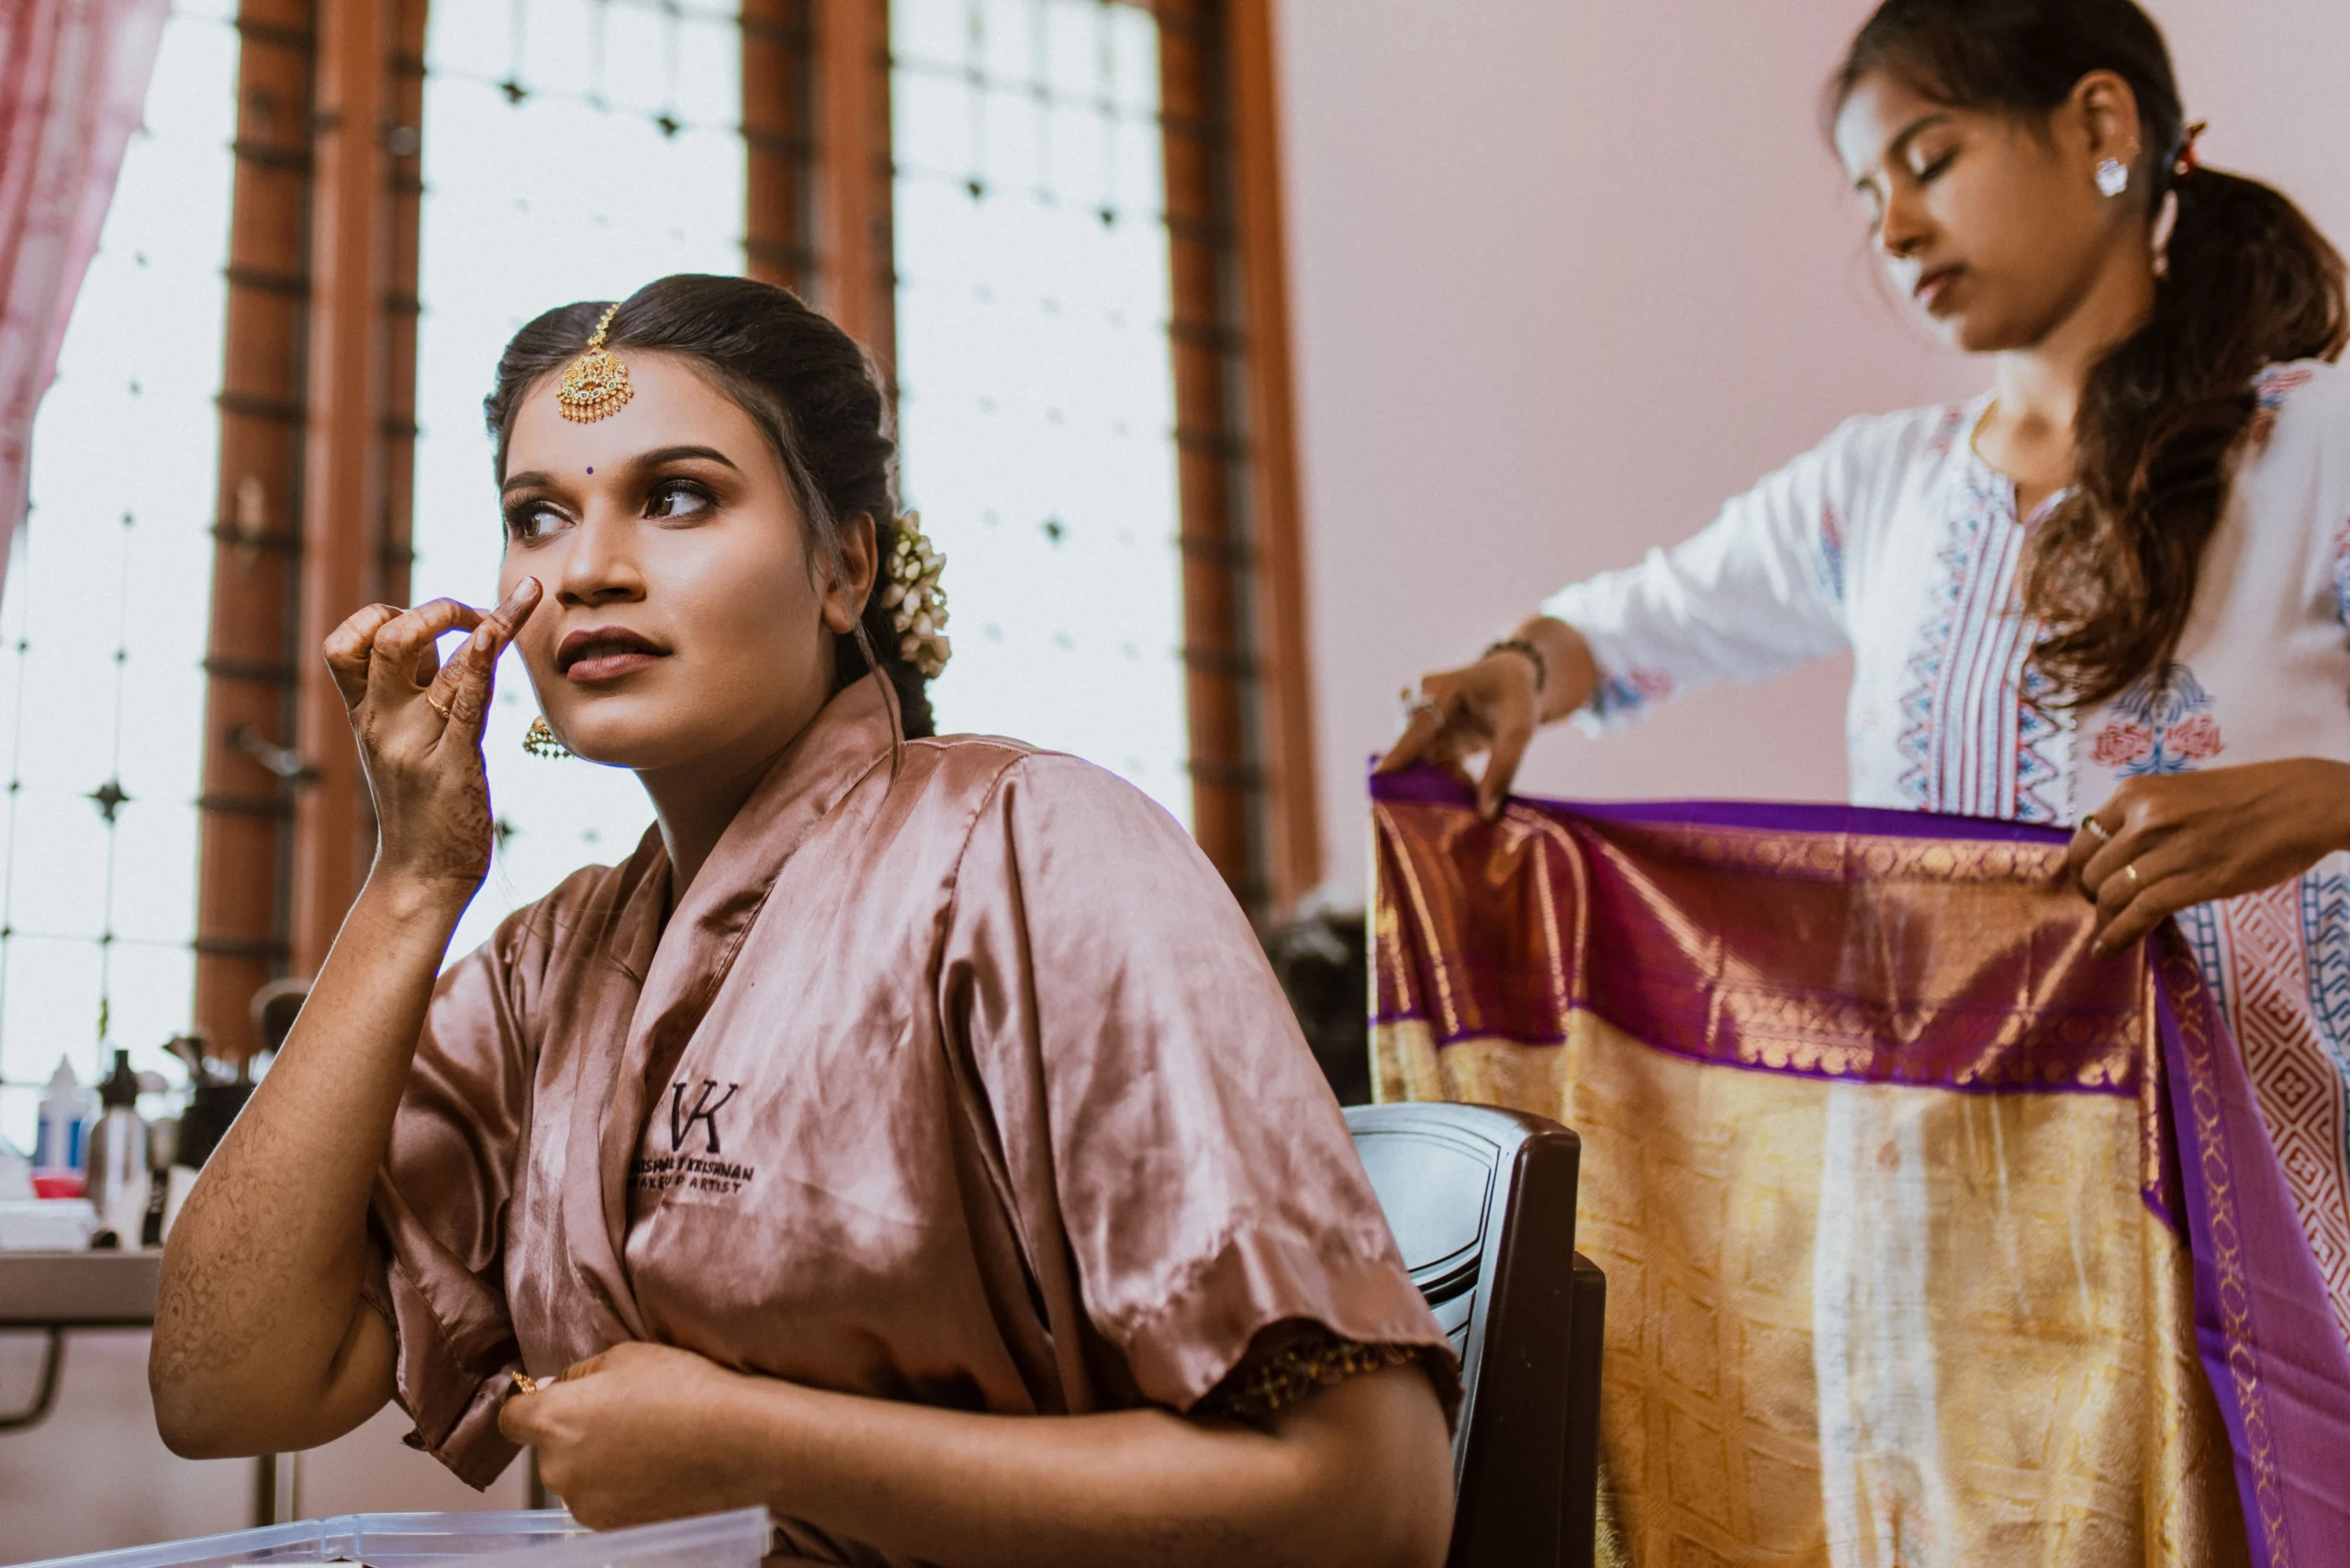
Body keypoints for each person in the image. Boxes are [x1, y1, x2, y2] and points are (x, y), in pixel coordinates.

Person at [151, 274, 1457, 1568]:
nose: (591, 568)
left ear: (845, 567)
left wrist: (761, 1448)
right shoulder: (549, 969)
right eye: (537, 516)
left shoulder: (1038, 849)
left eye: (676, 498)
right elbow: (224, 1389)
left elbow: (1371, 1501)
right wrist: (410, 884)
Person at [1383, 0, 2350, 1346]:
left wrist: (2321, 800)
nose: (1892, 231)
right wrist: (1522, 669)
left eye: (1931, 159)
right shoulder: (1879, 489)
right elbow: (1646, 617)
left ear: (2101, 127)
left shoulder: (2315, 450)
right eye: (1868, 191)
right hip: (1936, 1261)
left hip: (2256, 1255)